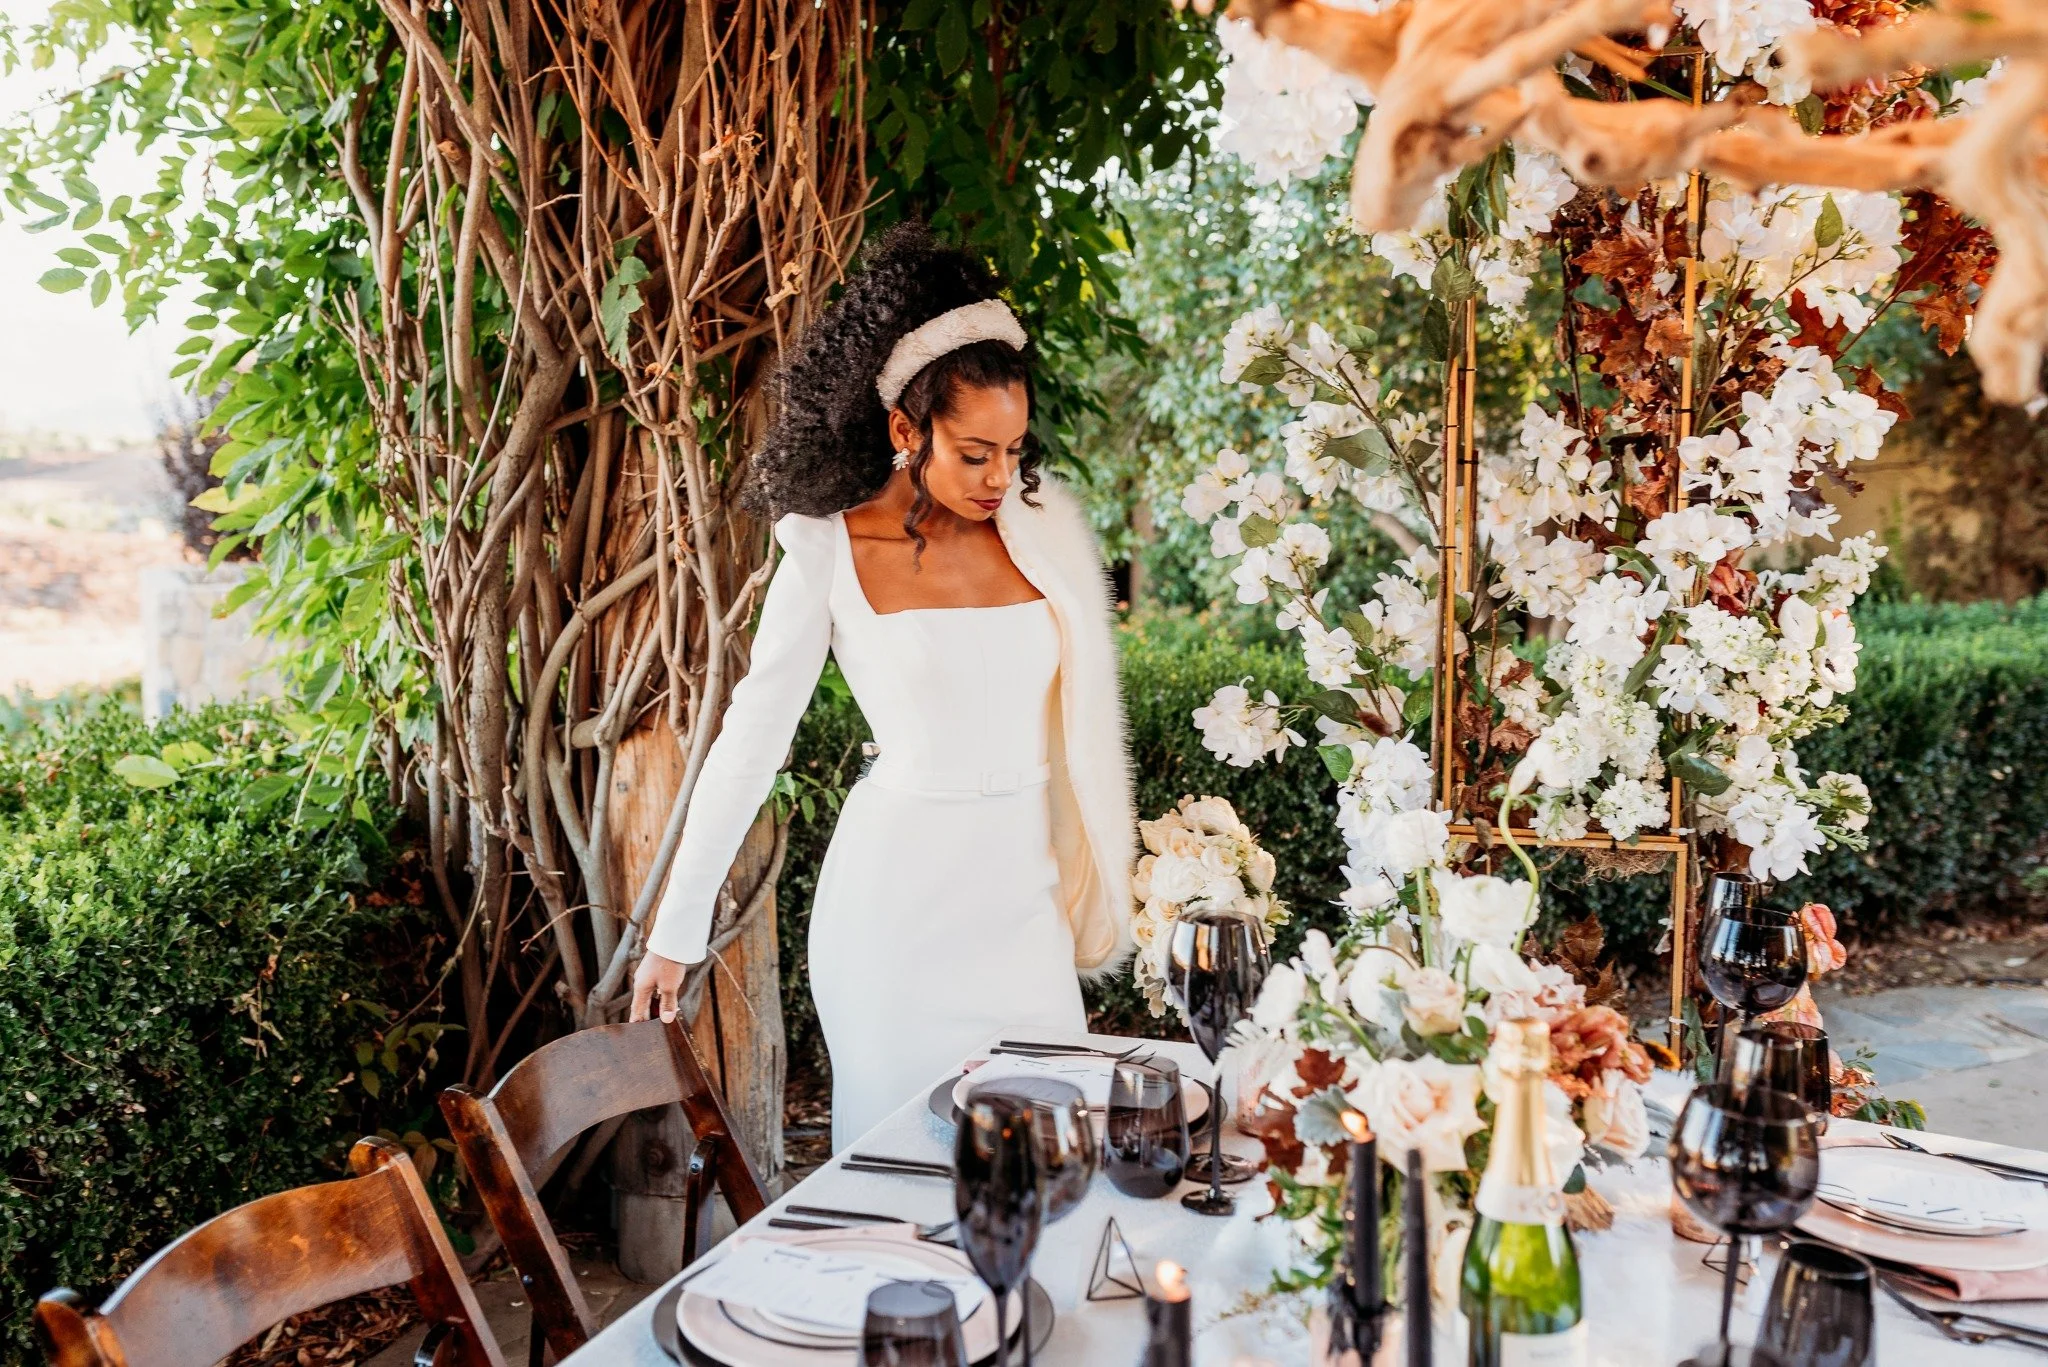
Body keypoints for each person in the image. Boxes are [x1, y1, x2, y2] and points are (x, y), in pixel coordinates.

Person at [630, 224, 1137, 1148]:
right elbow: (752, 738)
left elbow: (1091, 728)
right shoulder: (825, 546)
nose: (999, 476)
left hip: (1024, 910)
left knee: (1051, 1164)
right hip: (891, 920)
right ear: (906, 428)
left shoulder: (1044, 531)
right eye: (974, 451)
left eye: (1015, 451)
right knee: (899, 1185)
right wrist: (678, 923)